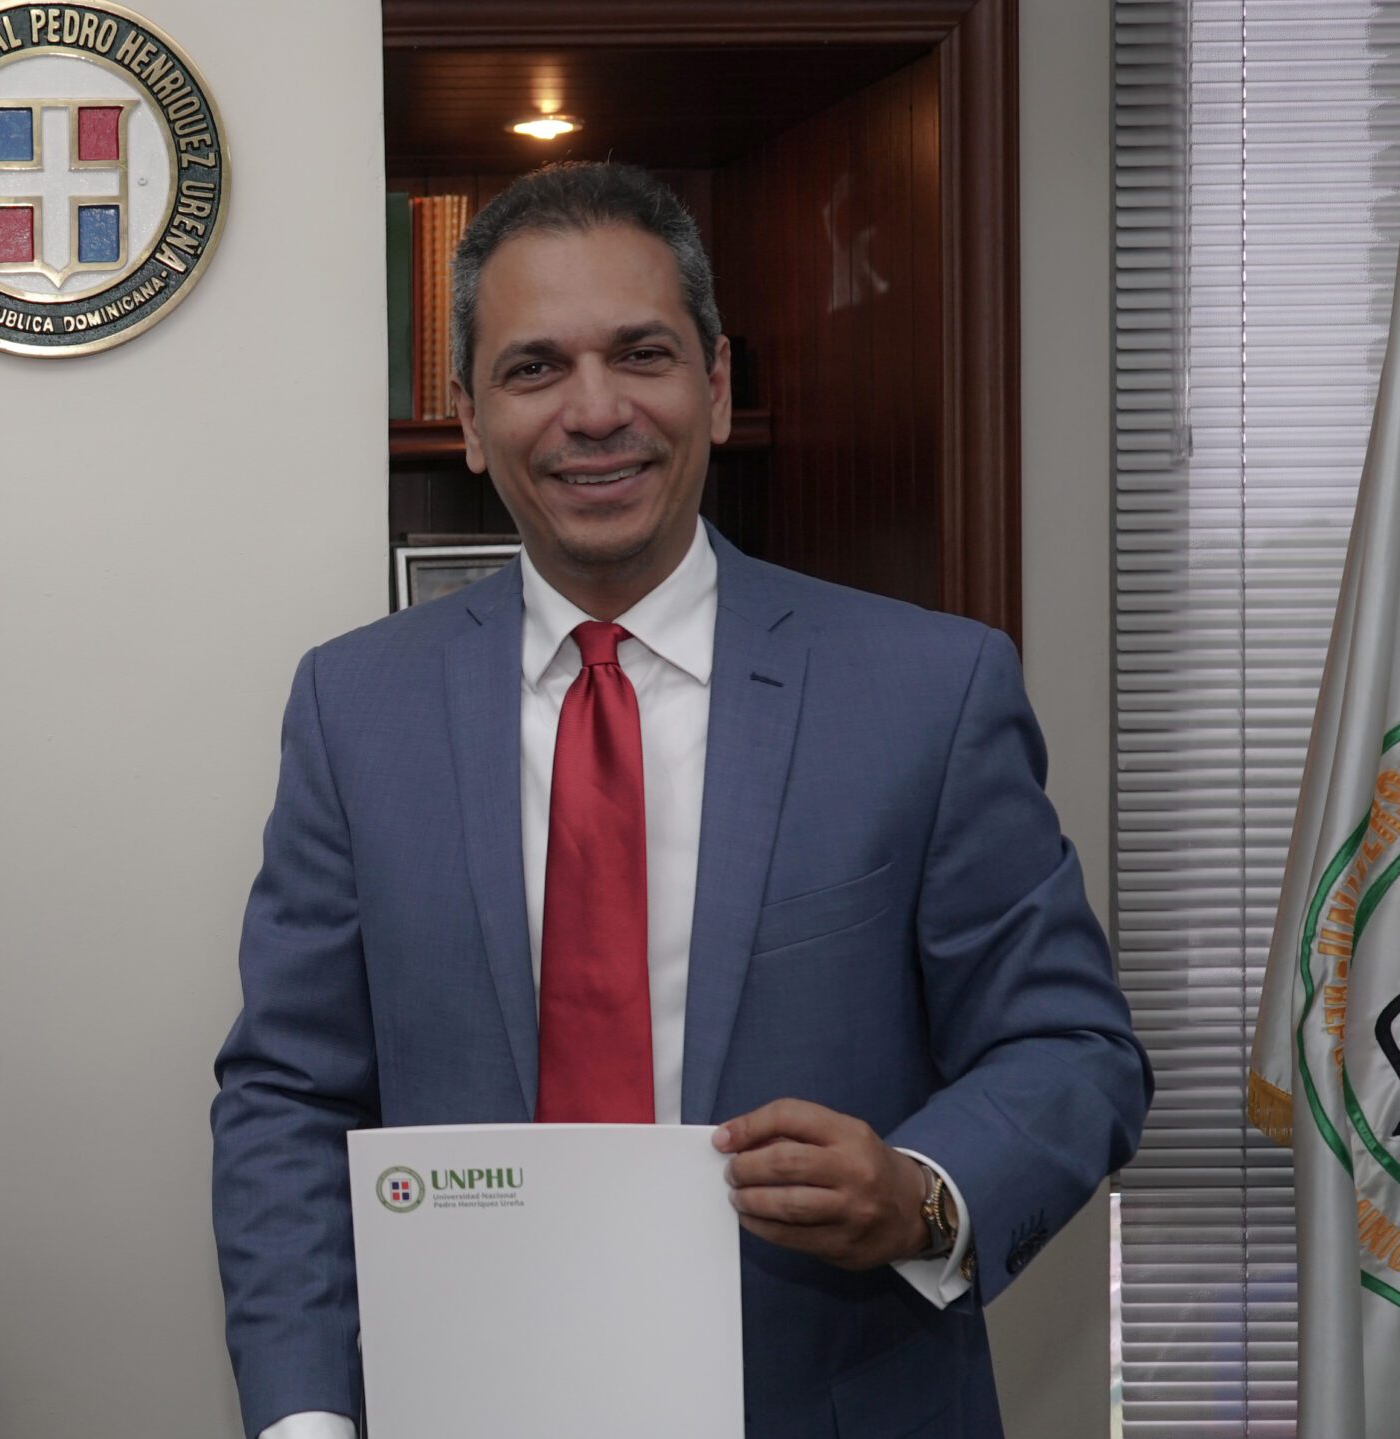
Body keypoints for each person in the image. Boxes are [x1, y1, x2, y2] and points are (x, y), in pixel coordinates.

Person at [210, 162, 1150, 1439]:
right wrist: (307, 1419)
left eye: (641, 354)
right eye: (534, 368)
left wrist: (922, 1191)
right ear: (470, 420)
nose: (594, 410)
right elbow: (289, 1096)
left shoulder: (928, 690)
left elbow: (1070, 1045)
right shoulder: (353, 706)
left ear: (713, 385)